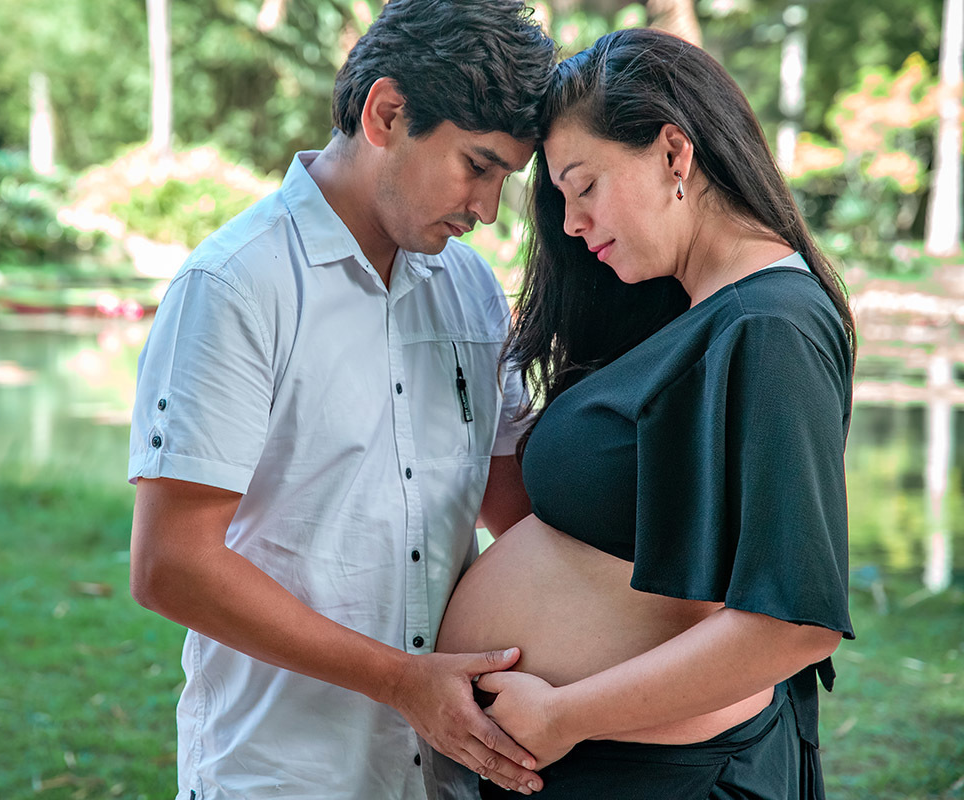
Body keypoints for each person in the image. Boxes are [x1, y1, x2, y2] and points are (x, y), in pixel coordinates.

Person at [126, 2, 557, 798]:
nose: (489, 209)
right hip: (283, 774)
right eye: (477, 165)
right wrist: (402, 682)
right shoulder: (233, 286)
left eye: (504, 178)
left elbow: (516, 510)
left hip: (453, 775)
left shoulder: (471, 290)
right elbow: (169, 564)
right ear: (386, 113)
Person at [433, 28, 856, 799]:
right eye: (560, 198)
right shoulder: (697, 313)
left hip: (673, 776)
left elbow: (797, 622)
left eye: (584, 185)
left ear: (673, 153)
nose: (569, 222)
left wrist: (565, 713)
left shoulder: (771, 326)